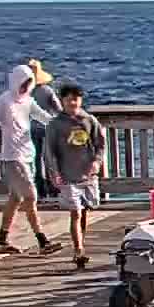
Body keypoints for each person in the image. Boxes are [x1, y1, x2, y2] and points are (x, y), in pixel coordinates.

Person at [0, 64, 60, 256]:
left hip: (27, 155)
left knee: (16, 198)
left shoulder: (28, 101)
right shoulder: (3, 101)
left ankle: (1, 239)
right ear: (15, 82)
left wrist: (64, 124)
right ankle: (42, 241)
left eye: (28, 84)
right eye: (22, 84)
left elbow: (44, 117)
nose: (25, 88)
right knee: (31, 196)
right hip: (12, 157)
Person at [44, 83, 108, 270]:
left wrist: (97, 162)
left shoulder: (89, 120)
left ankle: (80, 244)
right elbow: (49, 151)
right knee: (76, 212)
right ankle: (78, 250)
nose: (73, 103)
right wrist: (54, 172)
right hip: (67, 175)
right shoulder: (55, 124)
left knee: (85, 211)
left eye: (76, 99)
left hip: (87, 175)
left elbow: (100, 144)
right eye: (69, 99)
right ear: (62, 101)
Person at [26, 59, 59, 197]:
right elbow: (58, 109)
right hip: (47, 128)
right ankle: (53, 187)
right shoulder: (47, 91)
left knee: (36, 159)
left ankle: (40, 188)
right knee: (49, 158)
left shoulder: (26, 93)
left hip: (32, 128)